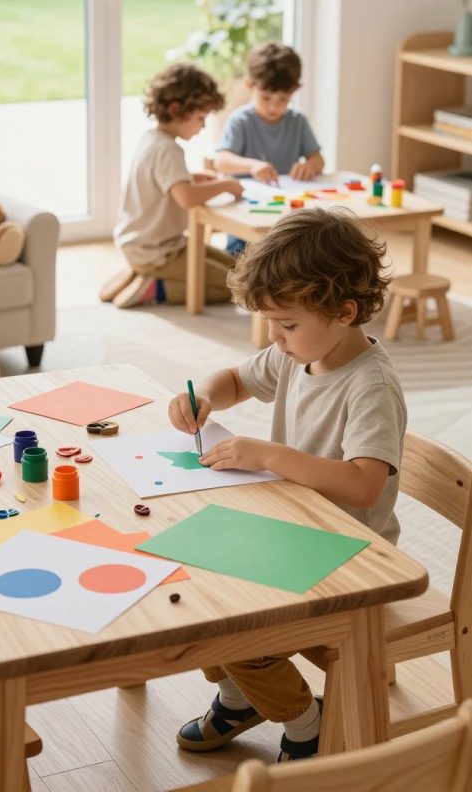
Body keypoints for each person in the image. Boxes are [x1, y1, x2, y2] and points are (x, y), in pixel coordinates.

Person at [168, 207, 406, 762]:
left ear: (344, 311)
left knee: (243, 623)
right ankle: (241, 696)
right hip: (297, 534)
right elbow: (233, 381)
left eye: (287, 324)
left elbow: (365, 485)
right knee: (196, 585)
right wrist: (202, 395)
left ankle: (307, 724)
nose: (275, 338)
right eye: (271, 324)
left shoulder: (370, 386)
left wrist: (274, 454)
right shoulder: (299, 354)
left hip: (353, 558)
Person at [100, 62, 243, 309]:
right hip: (158, 253)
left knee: (236, 269)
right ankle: (156, 288)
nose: (203, 126)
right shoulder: (169, 149)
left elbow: (161, 181)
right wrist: (225, 185)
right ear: (178, 110)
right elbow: (186, 198)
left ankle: (139, 273)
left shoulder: (152, 139)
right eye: (201, 117)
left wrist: (191, 177)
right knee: (234, 286)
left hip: (144, 245)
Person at [214, 41, 325, 256]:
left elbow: (318, 159)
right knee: (242, 259)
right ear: (250, 86)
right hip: (247, 213)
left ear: (294, 92)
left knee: (302, 250)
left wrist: (309, 165)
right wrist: (252, 165)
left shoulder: (297, 120)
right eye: (266, 98)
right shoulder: (241, 121)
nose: (274, 106)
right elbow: (222, 160)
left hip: (286, 214)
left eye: (282, 99)